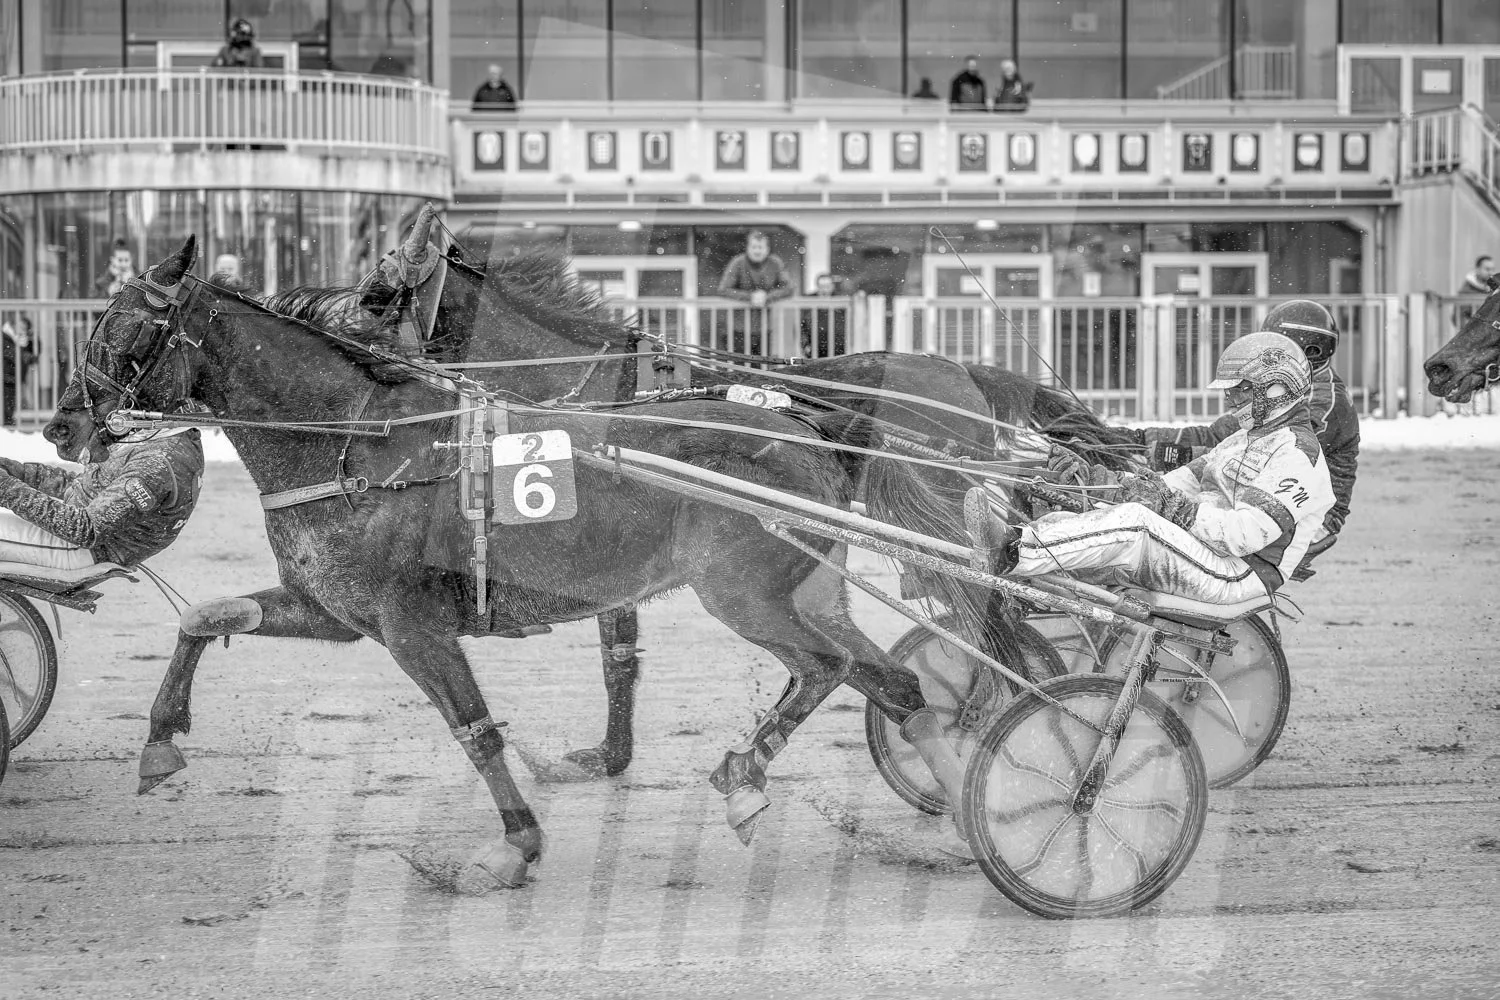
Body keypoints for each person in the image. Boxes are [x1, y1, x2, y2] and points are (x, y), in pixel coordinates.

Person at [969, 333, 1334, 606]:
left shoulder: (1298, 455)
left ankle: (1012, 550)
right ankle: (1012, 553)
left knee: (1136, 522)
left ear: (1276, 390)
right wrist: (1099, 481)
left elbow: (1243, 536)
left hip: (1239, 572)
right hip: (1206, 554)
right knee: (1106, 511)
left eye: (1240, 391)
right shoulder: (1239, 441)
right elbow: (1170, 485)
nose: (1230, 400)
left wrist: (1167, 506)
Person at [1130, 301, 1359, 581]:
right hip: (1270, 493)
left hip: (1311, 515)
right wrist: (1139, 440)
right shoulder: (1297, 383)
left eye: (1274, 350)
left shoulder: (1316, 401)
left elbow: (1220, 442)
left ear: (1310, 350)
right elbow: (1221, 436)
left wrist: (1158, 452)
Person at [0, 410, 204, 574]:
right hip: (86, 542)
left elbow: (85, 528)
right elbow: (83, 489)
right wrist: (17, 472)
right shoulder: (157, 439)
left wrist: (6, 488)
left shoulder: (157, 460)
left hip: (84, 550)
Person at [716, 231, 793, 356]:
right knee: (739, 368)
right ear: (747, 248)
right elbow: (723, 289)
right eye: (754, 247)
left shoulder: (775, 263)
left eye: (760, 247)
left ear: (767, 249)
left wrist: (767, 297)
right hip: (738, 328)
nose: (757, 251)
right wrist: (750, 297)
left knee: (762, 368)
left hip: (765, 327)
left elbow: (788, 288)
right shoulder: (738, 262)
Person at [800, 273, 848, 359]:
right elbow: (802, 326)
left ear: (832, 287)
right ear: (817, 287)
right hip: (815, 348)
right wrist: (805, 345)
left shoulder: (841, 300)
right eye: (821, 286)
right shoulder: (808, 301)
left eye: (827, 286)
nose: (824, 290)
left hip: (839, 348)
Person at [1, 317, 36, 428]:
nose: (22, 330)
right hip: (5, 376)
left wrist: (30, 339)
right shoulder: (4, 336)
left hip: (14, 377)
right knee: (6, 406)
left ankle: (7, 424)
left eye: (25, 328)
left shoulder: (22, 340)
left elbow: (36, 350)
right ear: (13, 325)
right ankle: (6, 426)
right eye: (20, 327)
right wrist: (24, 355)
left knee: (10, 404)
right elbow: (10, 352)